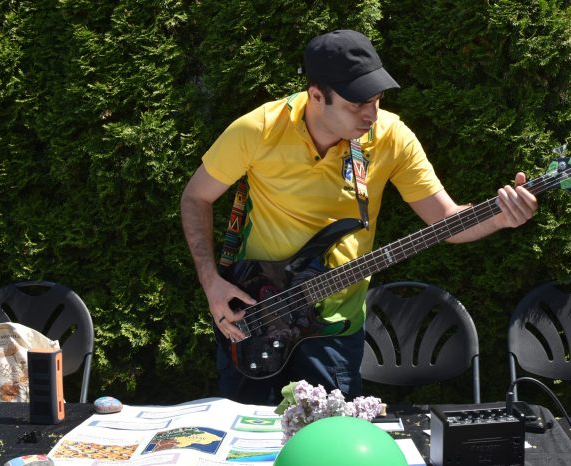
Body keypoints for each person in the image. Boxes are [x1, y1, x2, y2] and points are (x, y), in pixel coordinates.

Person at [180, 29, 538, 405]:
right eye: (356, 104)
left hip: (335, 327)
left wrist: (500, 217)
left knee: (329, 450)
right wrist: (211, 282)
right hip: (255, 314)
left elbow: (446, 220)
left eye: (377, 99)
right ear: (316, 96)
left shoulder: (391, 137)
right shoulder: (258, 129)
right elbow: (195, 197)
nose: (371, 114)